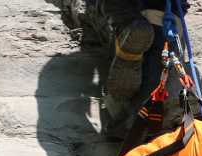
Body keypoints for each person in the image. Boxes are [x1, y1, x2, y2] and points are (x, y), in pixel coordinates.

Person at [83, 0, 195, 140]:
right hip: (164, 17)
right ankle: (133, 117)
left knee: (153, 60)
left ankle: (125, 112)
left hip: (127, 15)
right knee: (162, 68)